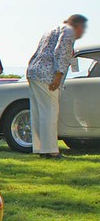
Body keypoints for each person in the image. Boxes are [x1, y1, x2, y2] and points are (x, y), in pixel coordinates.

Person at [26, 14, 87, 158]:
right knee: (50, 112)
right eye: (82, 29)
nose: (82, 33)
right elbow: (61, 52)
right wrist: (58, 75)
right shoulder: (69, 31)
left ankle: (40, 148)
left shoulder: (53, 30)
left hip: (34, 71)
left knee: (39, 112)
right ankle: (50, 150)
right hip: (48, 74)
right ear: (77, 25)